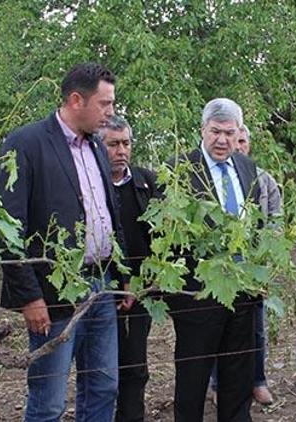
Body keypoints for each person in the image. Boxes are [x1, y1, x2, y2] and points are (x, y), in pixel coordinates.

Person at [0, 62, 127, 422]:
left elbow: (109, 215)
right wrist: (29, 296)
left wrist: (123, 276)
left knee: (103, 388)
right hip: (52, 293)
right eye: (104, 104)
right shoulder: (25, 143)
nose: (110, 112)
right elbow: (7, 227)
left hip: (101, 287)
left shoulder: (97, 149)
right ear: (75, 100)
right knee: (49, 400)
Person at [166, 98, 261, 422]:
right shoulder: (179, 170)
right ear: (202, 131)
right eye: (215, 132)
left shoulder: (248, 167)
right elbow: (167, 237)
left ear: (239, 134)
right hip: (198, 297)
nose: (222, 140)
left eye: (229, 133)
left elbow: (256, 226)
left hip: (243, 292)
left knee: (238, 376)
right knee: (193, 378)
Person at [208, 124, 281, 405]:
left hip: (253, 267)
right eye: (231, 140)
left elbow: (276, 219)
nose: (236, 146)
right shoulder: (208, 177)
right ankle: (218, 384)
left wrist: (265, 256)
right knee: (217, 326)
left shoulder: (263, 180)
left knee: (255, 327)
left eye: (241, 141)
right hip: (220, 268)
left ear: (248, 144)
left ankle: (257, 380)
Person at [101, 115, 158, 422]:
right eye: (113, 144)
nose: (121, 150)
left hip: (141, 288)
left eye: (126, 143)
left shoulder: (146, 182)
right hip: (102, 287)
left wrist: (142, 281)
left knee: (136, 363)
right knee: (101, 365)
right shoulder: (91, 184)